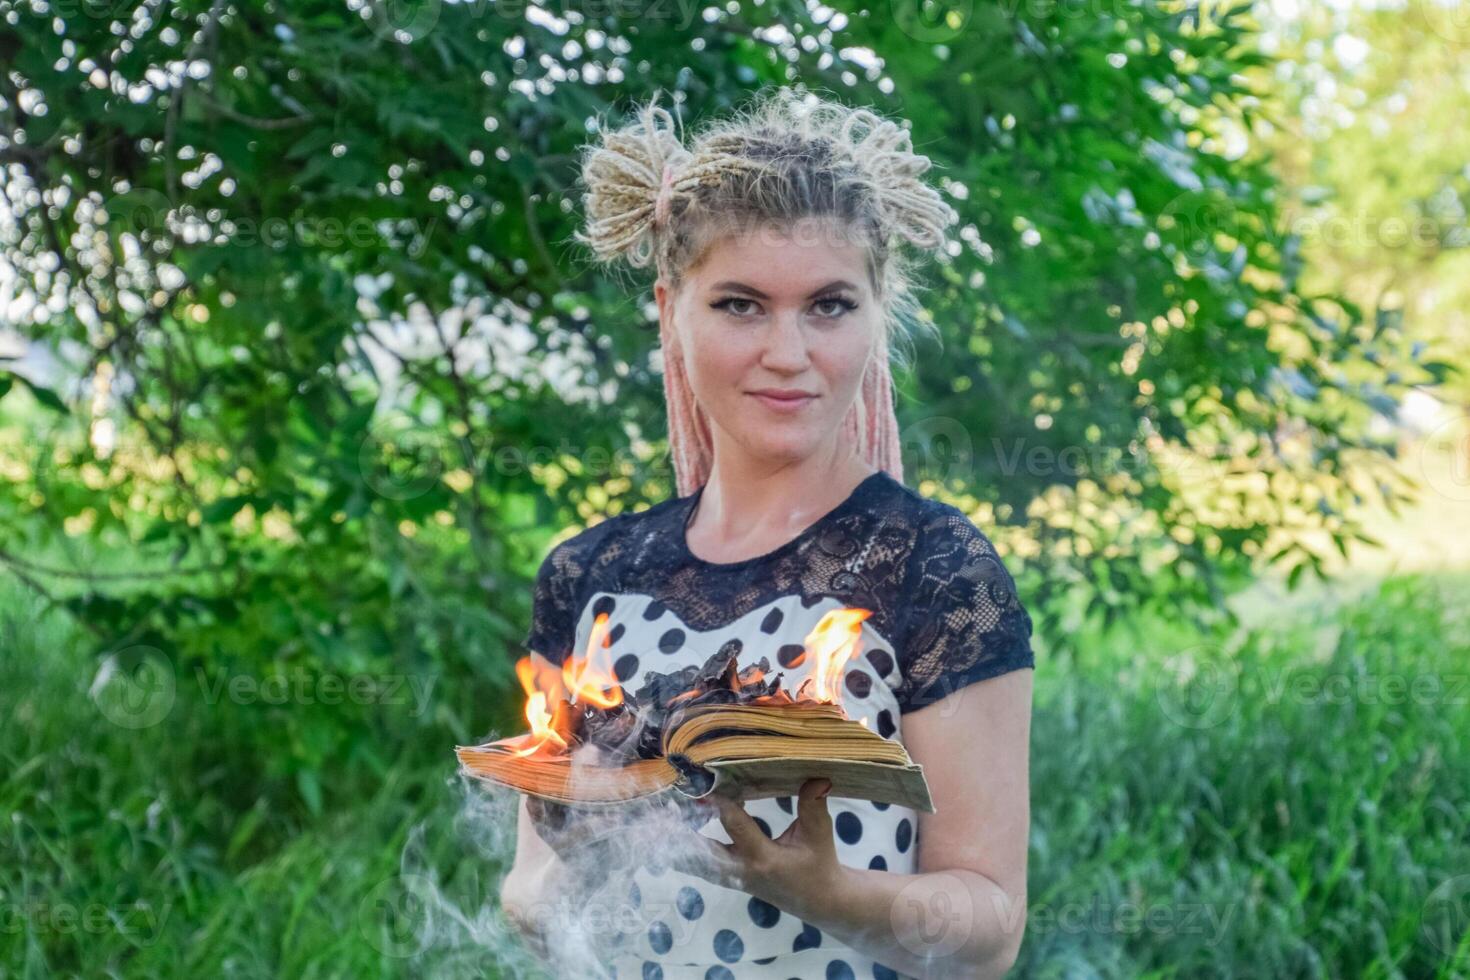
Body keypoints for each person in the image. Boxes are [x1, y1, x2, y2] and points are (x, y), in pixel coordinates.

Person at [498, 86, 1035, 979]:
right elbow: (528, 889)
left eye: (828, 305)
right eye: (741, 304)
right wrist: (582, 862)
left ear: (876, 313)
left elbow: (989, 925)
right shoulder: (587, 574)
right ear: (672, 309)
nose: (788, 352)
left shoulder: (935, 571)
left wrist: (833, 896)